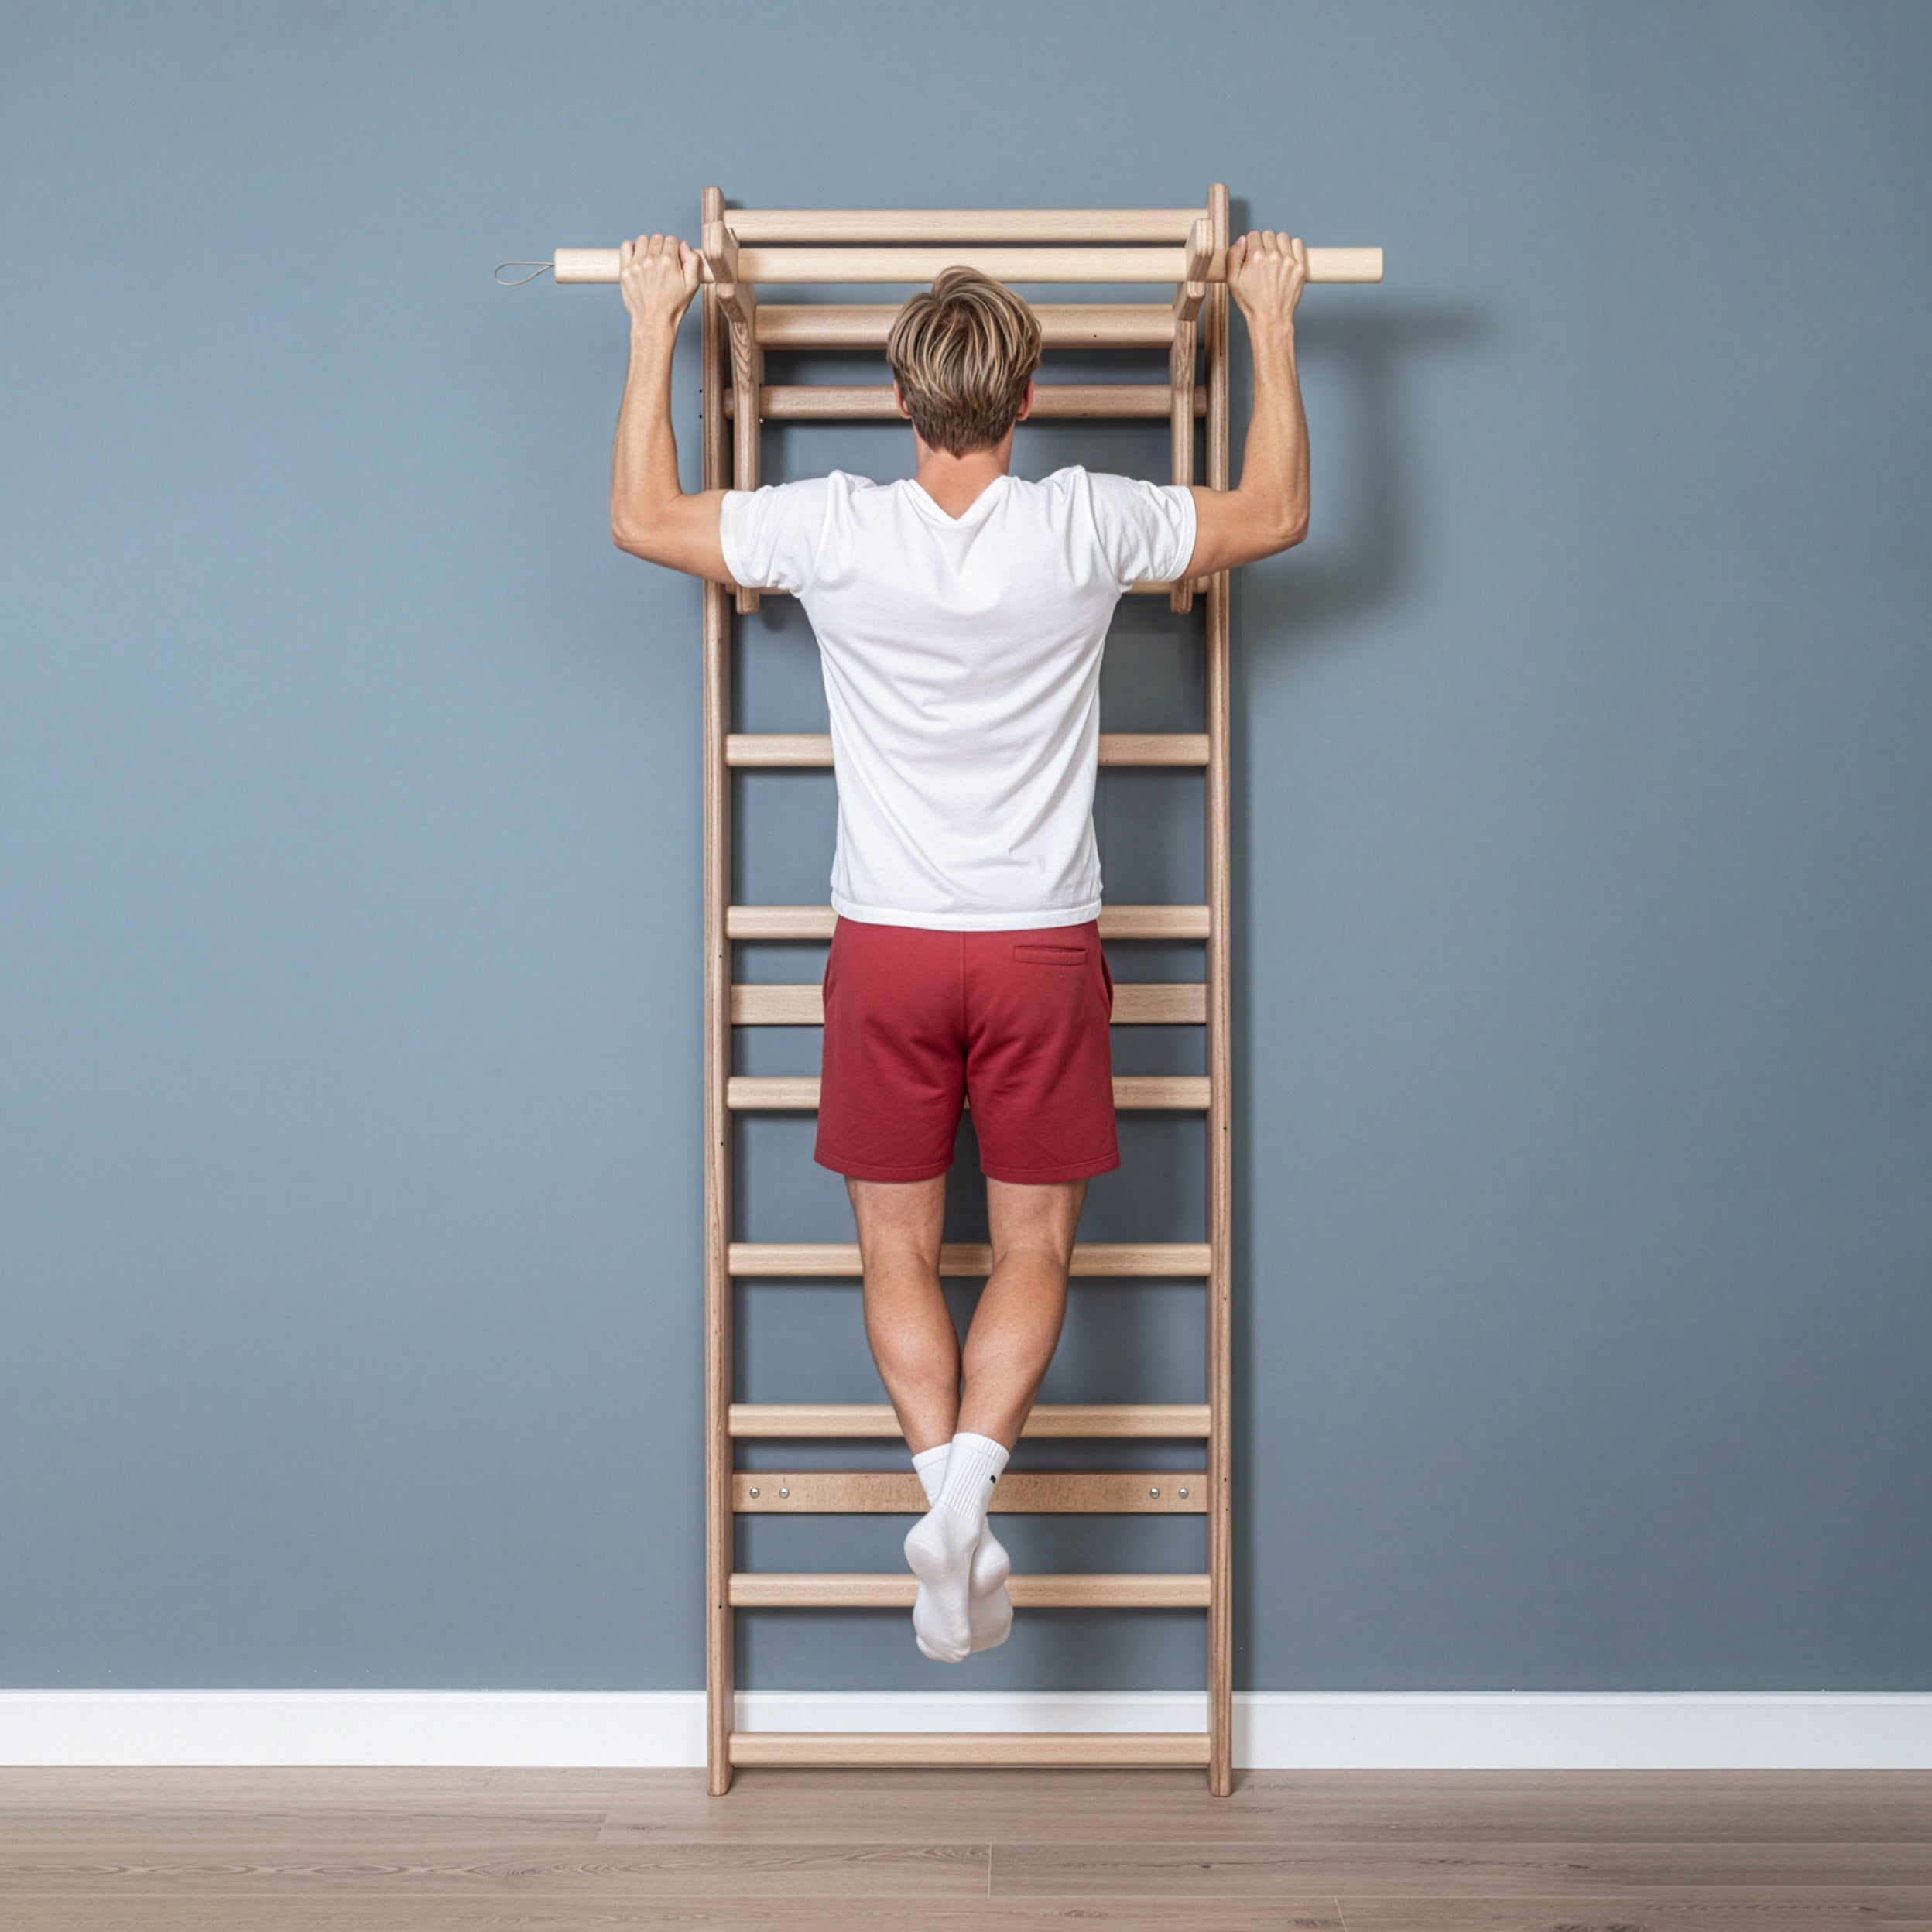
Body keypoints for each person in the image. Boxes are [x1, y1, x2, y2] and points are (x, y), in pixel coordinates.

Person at [609, 231, 1310, 1663]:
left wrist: (652, 323)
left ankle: (942, 1493)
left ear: (898, 396)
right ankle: (974, 1487)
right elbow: (1277, 510)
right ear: (1029, 393)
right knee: (1038, 1243)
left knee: (894, 1247)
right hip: (1042, 946)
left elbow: (643, 516)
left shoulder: (839, 527)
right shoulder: (1088, 523)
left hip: (891, 950)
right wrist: (1270, 319)